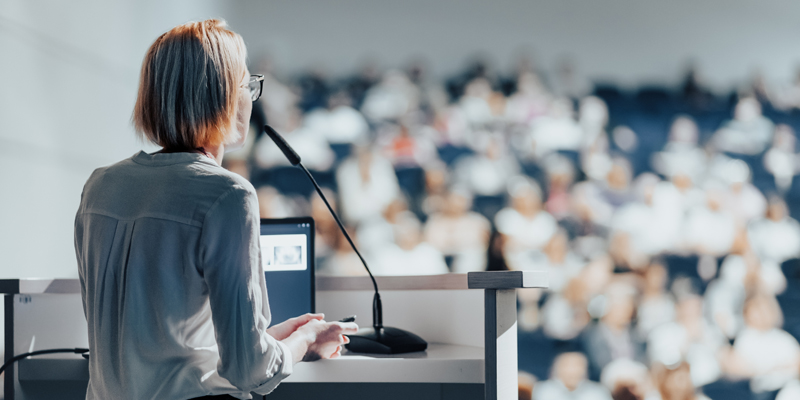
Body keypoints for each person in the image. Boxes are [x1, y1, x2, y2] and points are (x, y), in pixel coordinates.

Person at [74, 20, 357, 400]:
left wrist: (270, 339)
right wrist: (305, 340)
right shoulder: (227, 195)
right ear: (221, 96)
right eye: (247, 85)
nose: (251, 97)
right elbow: (250, 372)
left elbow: (165, 351)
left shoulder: (100, 186)